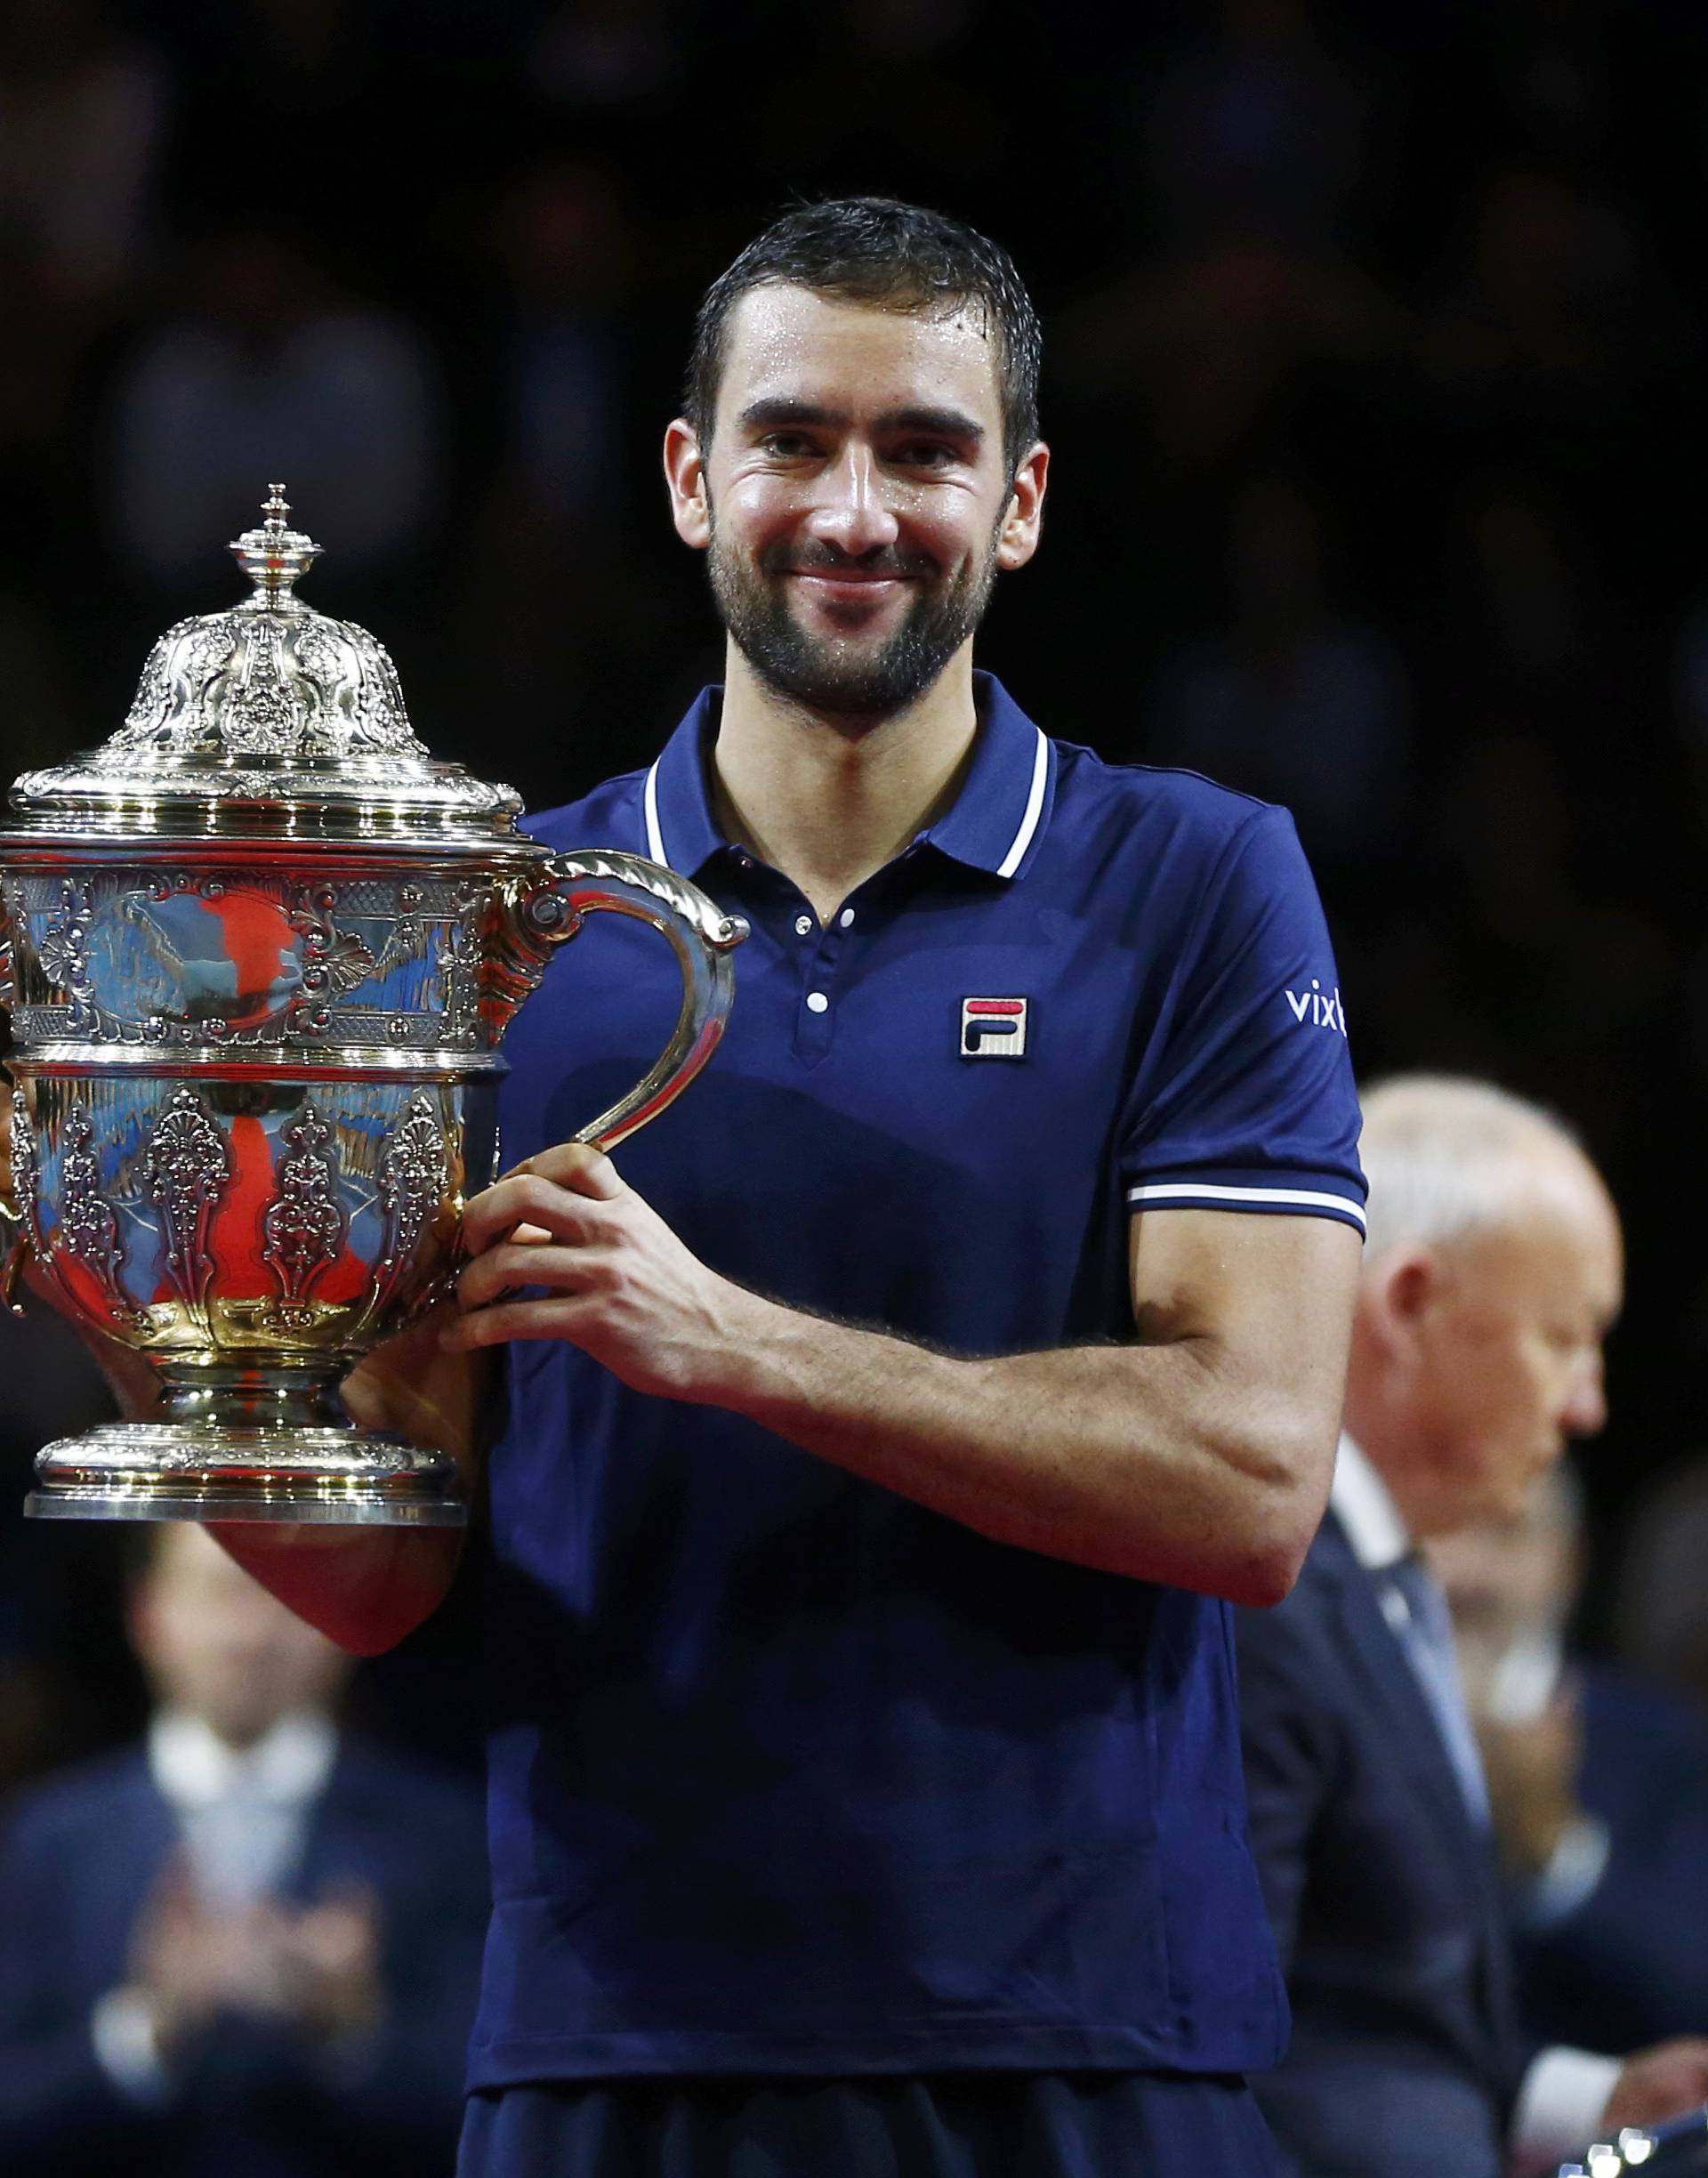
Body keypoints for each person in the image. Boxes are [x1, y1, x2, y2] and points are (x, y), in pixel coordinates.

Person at [7, 197, 1368, 2176]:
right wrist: (130, 1297)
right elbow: (387, 1575)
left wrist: (732, 1345)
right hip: (608, 2048)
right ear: (685, 478)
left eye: (926, 452)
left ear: (1025, 504)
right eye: (792, 440)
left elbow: (1250, 1479)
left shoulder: (1196, 881)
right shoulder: (485, 925)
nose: (852, 508)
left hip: (1080, 2045)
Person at [1237, 1073, 1708, 2178]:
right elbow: (1199, 2046)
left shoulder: (1372, 1595)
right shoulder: (1265, 1596)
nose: (1587, 1403)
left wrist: (1584, 2096)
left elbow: (1359, 2016)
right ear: (1406, 1306)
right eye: (1564, 1338)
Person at [0, 1522, 488, 2177]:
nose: (251, 1635)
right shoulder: (47, 1841)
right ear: (149, 1615)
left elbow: (490, 2118)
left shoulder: (445, 1836)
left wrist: (352, 2032)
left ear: (342, 1621)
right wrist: (148, 2030)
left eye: (286, 1598)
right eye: (221, 1592)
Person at [1432, 1467, 1708, 2058]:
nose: (1470, 1576)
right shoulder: (1315, 1710)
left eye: (1508, 1535)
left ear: (1568, 1561)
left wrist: (1553, 1848)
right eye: (1443, 1529)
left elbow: (1689, 1995)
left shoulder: (1665, 1746)